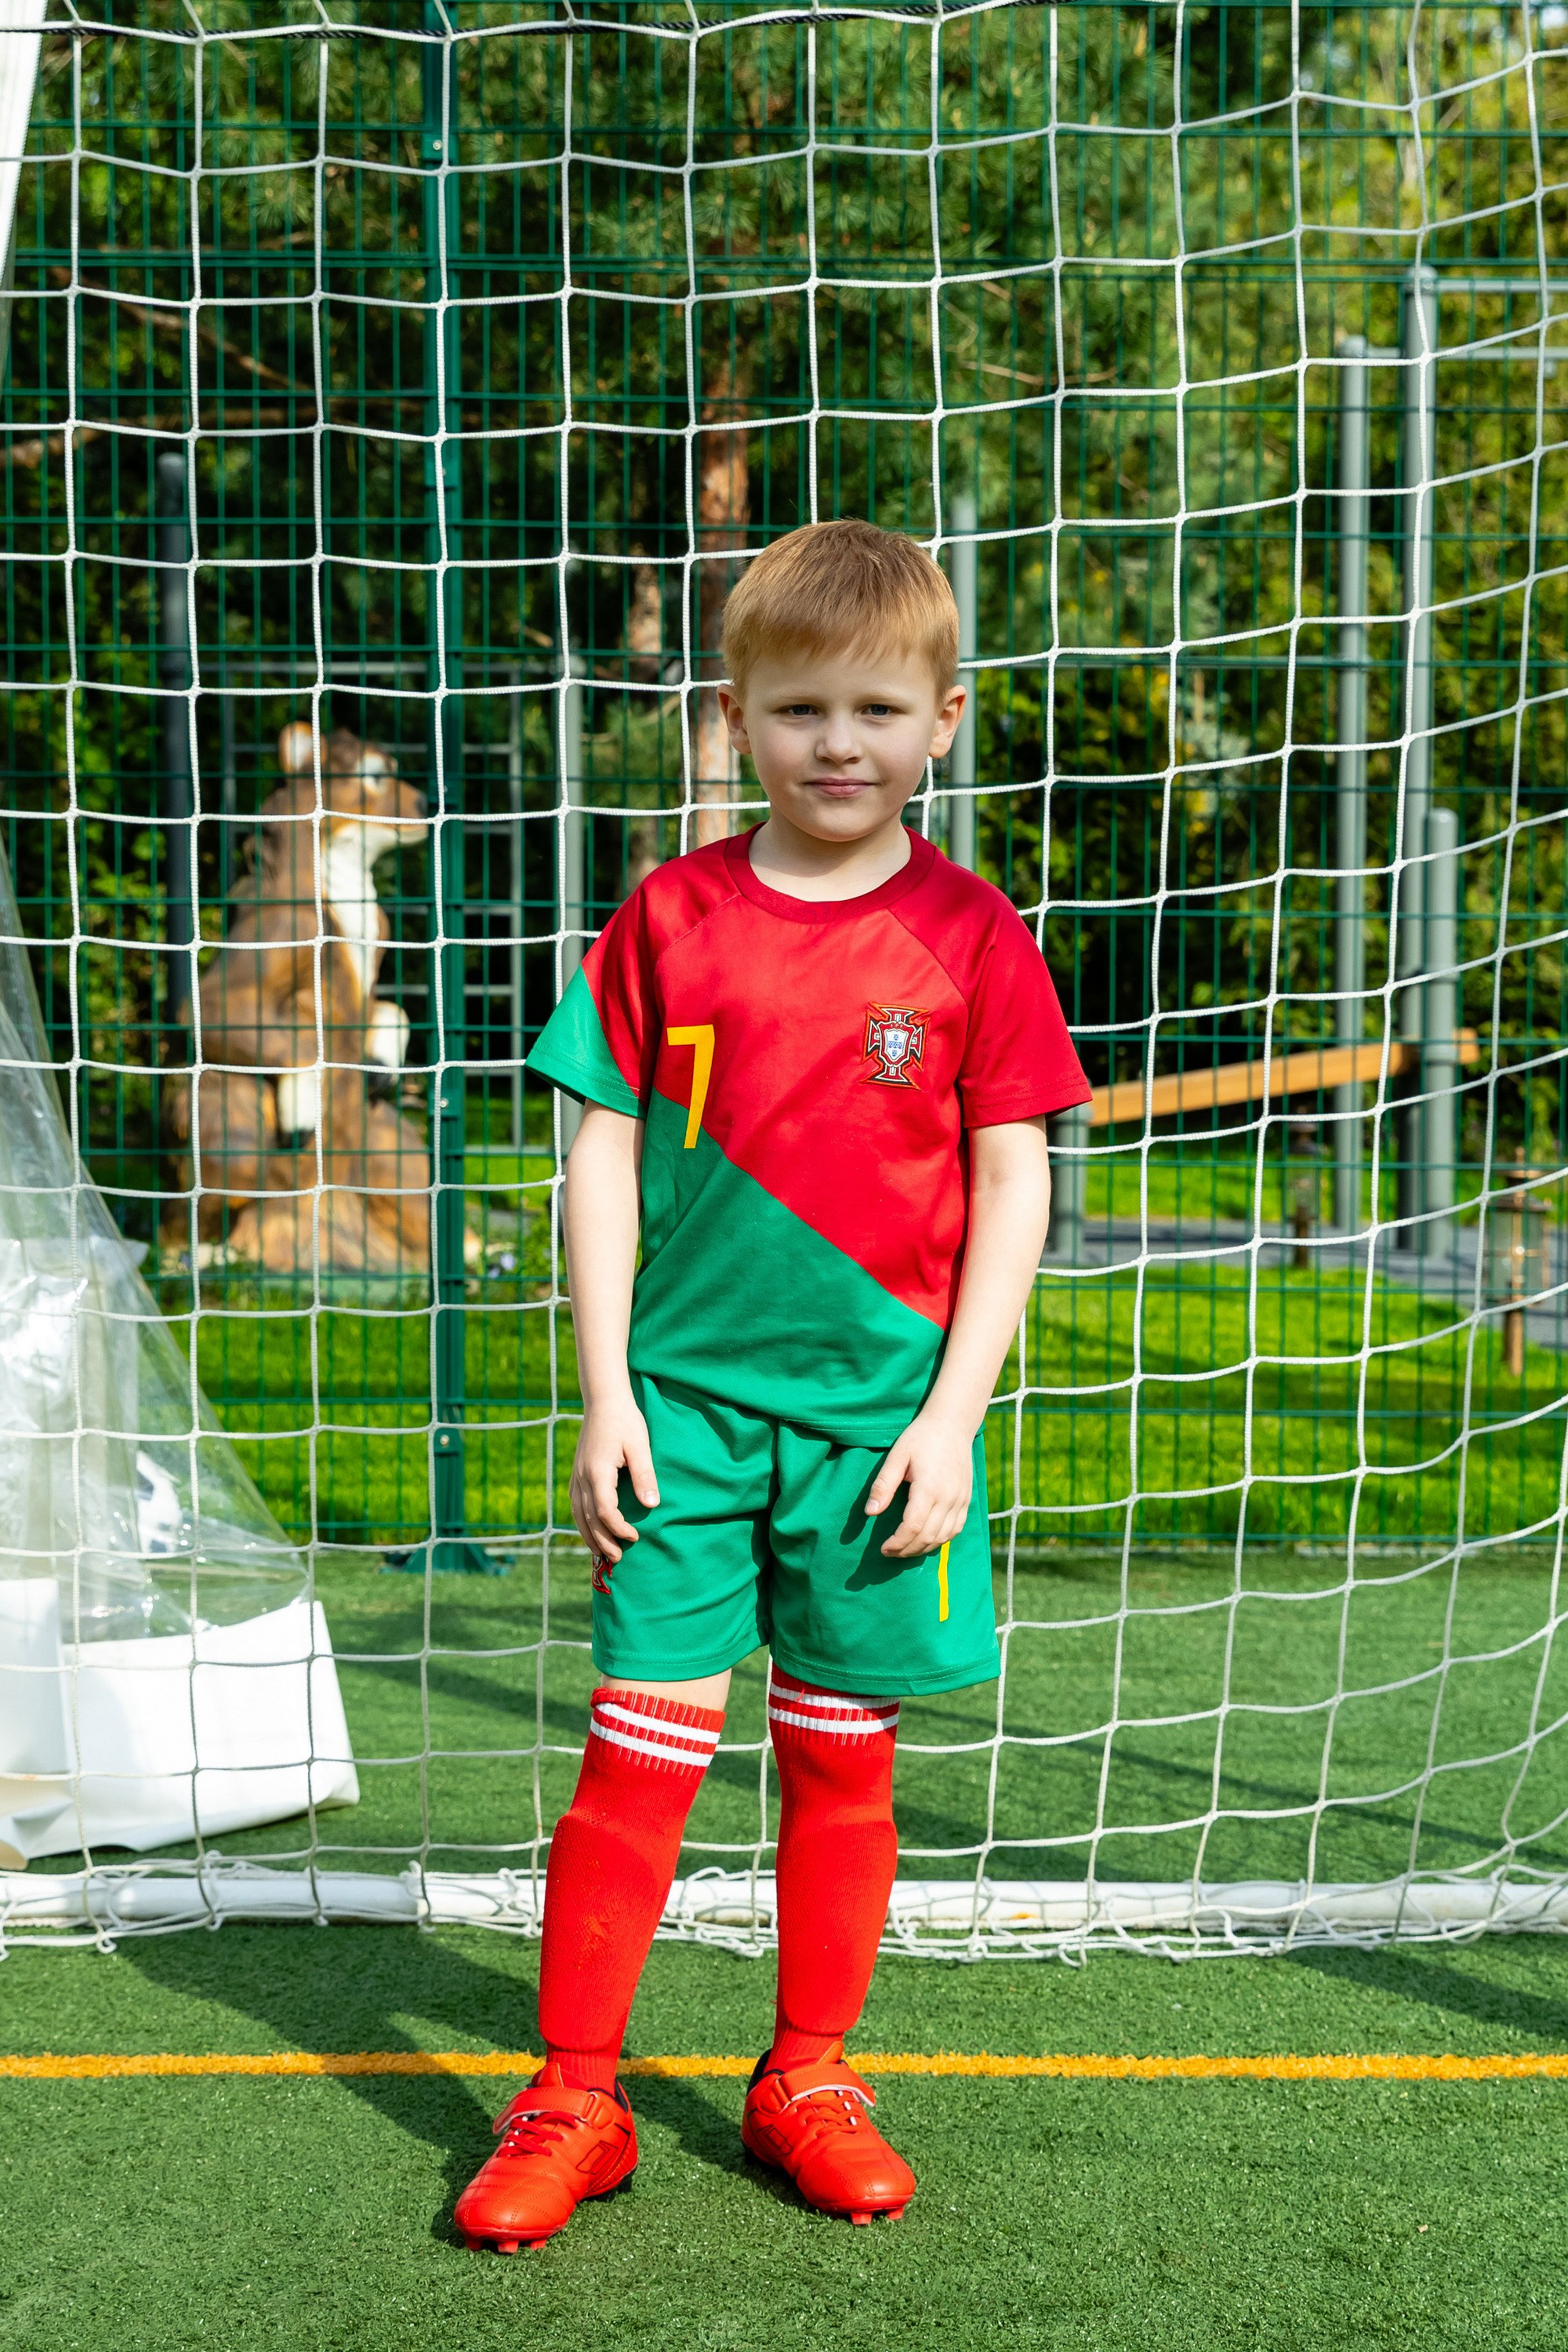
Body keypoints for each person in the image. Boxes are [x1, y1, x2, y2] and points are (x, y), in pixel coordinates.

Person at [454, 517, 1090, 2253]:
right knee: (635, 1756)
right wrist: (606, 1392)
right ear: (735, 717)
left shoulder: (970, 934)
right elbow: (594, 1149)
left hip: (884, 1434)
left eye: (878, 709)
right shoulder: (672, 914)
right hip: (683, 1414)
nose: (838, 742)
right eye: (800, 706)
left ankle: (807, 2072)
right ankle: (575, 2095)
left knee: (840, 1760)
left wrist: (952, 1419)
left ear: (943, 720)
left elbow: (1018, 1175)